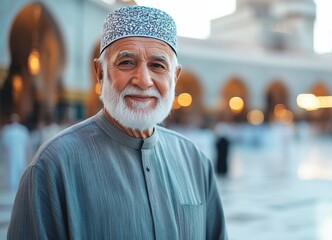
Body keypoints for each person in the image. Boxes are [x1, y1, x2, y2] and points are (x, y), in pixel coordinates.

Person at [8, 6, 227, 240]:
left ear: (175, 77)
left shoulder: (195, 162)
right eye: (126, 63)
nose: (143, 80)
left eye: (157, 66)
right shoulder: (55, 165)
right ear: (100, 72)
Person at [1, 113, 30, 191]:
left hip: (14, 154)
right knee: (17, 170)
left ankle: (14, 189)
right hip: (18, 154)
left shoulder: (7, 130)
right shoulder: (21, 129)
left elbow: (4, 145)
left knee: (14, 171)